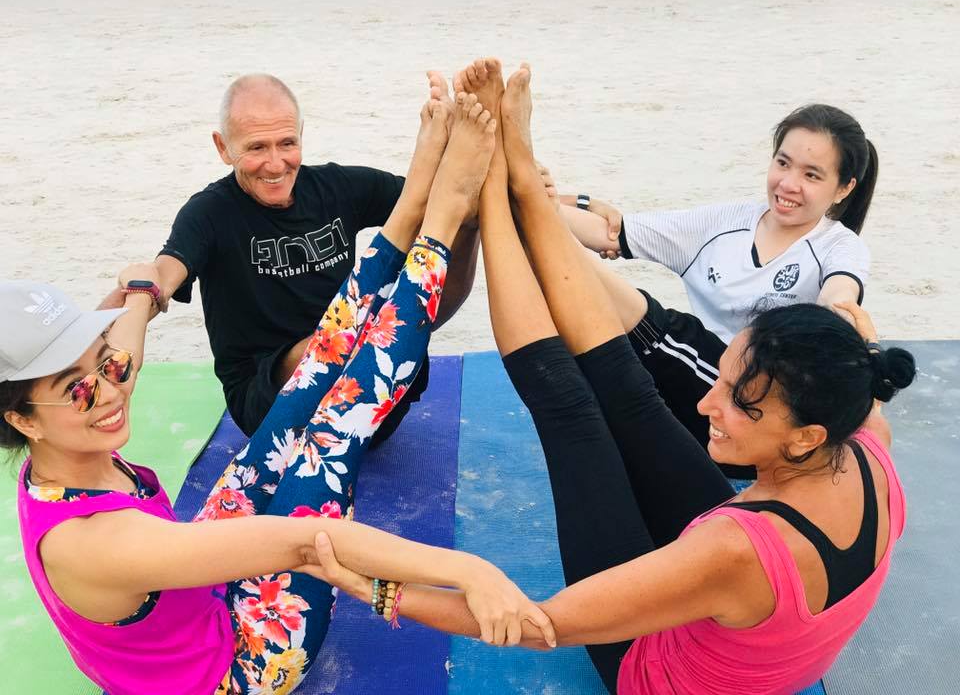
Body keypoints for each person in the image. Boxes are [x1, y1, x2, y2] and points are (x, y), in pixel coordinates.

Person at [308, 60, 916, 695]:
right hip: (748, 590)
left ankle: (490, 193)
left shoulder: (733, 549)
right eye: (724, 381)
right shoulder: (868, 444)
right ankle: (512, 174)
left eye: (740, 403)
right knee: (632, 390)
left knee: (570, 412)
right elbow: (853, 349)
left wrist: (374, 589)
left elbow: (535, 625)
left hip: (649, 669)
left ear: (807, 436)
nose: (706, 403)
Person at [1, 92, 555, 695]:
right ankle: (441, 221)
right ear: (21, 418)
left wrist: (137, 297)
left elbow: (119, 354)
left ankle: (417, 200)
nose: (111, 391)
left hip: (195, 588)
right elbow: (304, 545)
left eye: (107, 364)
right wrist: (470, 572)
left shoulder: (62, 444)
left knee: (311, 378)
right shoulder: (95, 542)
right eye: (80, 388)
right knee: (339, 426)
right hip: (241, 667)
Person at [117, 72, 480, 439]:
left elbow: (440, 203)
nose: (276, 164)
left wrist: (469, 163)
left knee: (456, 219)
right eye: (257, 148)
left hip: (369, 396)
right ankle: (429, 153)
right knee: (355, 330)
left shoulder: (337, 187)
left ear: (301, 135)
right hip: (271, 405)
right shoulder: (208, 213)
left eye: (287, 143)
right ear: (223, 147)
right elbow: (166, 272)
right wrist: (143, 290)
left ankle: (447, 150)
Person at [557, 104, 878, 476]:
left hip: (763, 415)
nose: (788, 184)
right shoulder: (724, 223)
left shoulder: (840, 247)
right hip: (703, 405)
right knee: (605, 348)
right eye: (783, 163)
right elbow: (609, 233)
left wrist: (839, 316)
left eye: (811, 175)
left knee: (662, 332)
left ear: (844, 188)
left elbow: (838, 298)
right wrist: (556, 200)